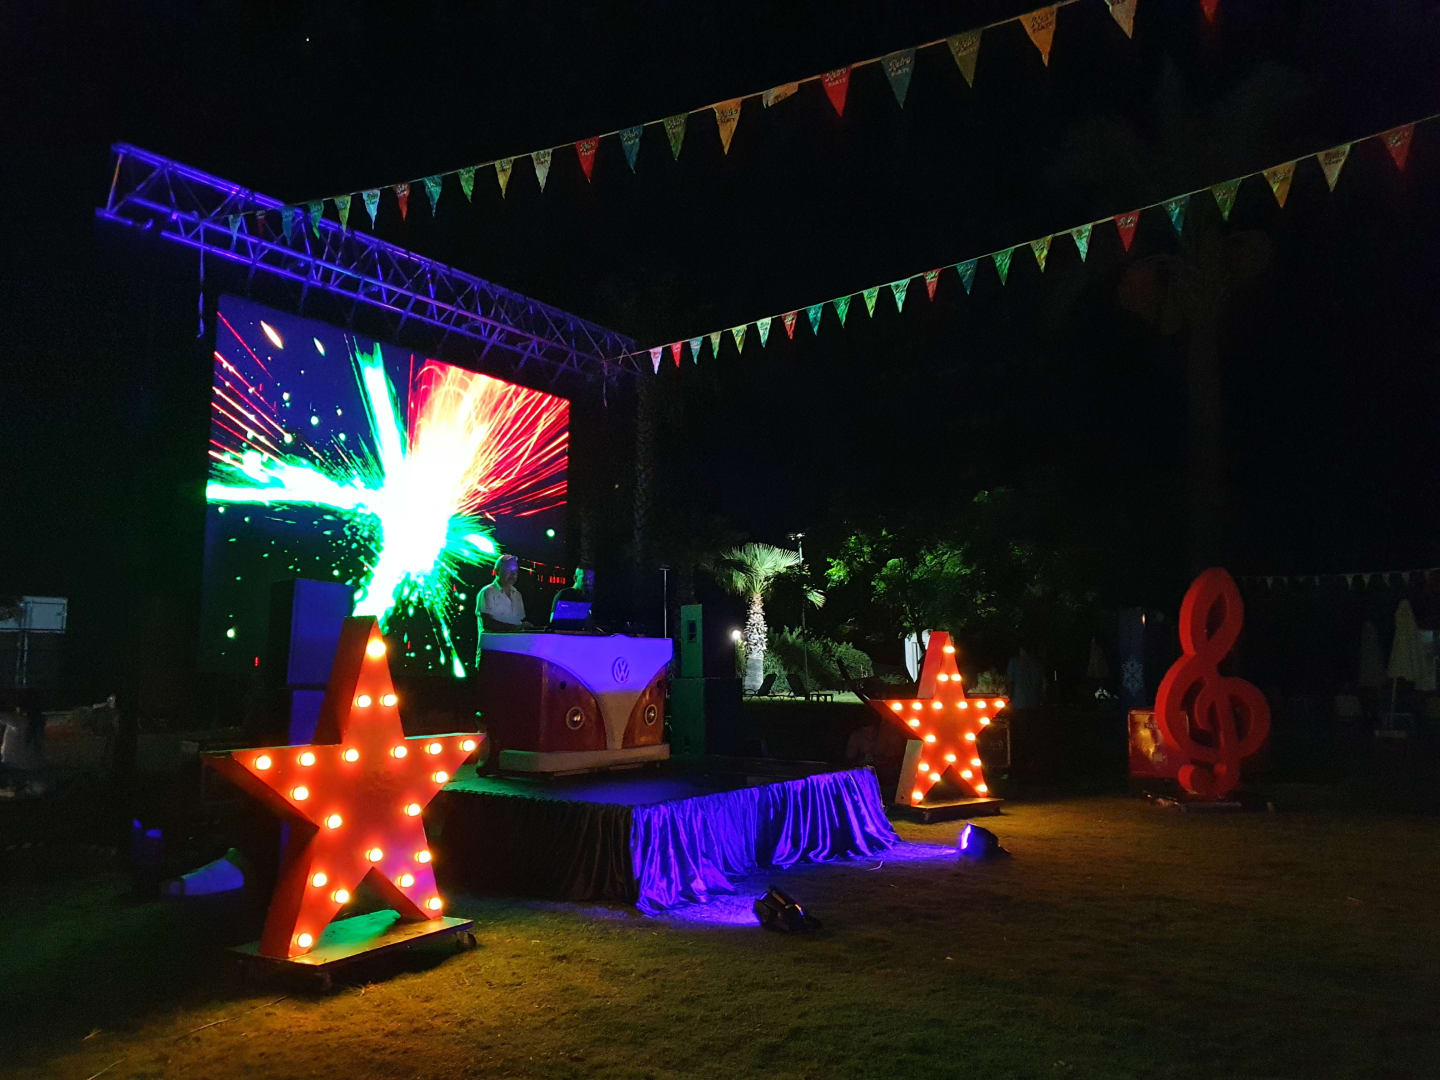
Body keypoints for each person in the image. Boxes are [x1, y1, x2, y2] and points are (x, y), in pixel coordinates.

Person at [478, 554, 532, 633]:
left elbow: (518, 621)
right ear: (496, 572)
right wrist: (516, 628)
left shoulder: (517, 595)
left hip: (513, 640)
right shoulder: (487, 592)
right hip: (493, 641)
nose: (513, 574)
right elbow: (487, 623)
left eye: (515, 571)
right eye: (508, 570)